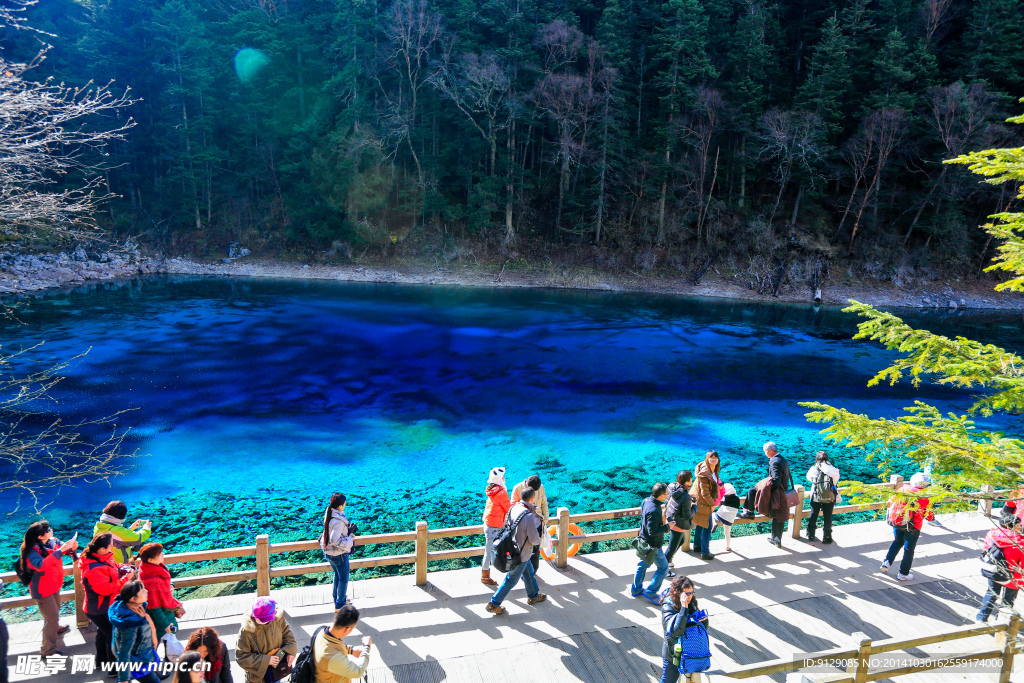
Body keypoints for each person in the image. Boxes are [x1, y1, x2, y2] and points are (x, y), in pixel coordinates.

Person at [16, 520, 77, 656]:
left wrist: (71, 547)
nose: (51, 530)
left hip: (54, 584)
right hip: (42, 590)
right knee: (51, 618)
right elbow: (41, 565)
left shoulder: (52, 541)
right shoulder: (32, 552)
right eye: (48, 529)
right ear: (40, 536)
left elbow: (64, 550)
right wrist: (61, 551)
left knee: (56, 610)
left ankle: (55, 628)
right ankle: (47, 649)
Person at [485, 486, 547, 615]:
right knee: (511, 580)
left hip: (512, 548)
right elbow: (534, 540)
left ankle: (533, 595)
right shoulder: (529, 516)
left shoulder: (514, 507)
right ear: (532, 498)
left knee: (529, 573)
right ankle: (494, 603)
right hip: (521, 554)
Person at [81, 532, 138, 670]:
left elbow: (114, 566)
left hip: (102, 607)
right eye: (110, 546)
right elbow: (105, 589)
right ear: (102, 549)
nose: (112, 548)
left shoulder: (103, 558)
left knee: (103, 632)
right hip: (100, 609)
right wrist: (127, 578)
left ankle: (101, 661)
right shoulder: (94, 568)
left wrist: (124, 568)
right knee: (113, 636)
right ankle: (114, 669)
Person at [880, 472, 934, 582]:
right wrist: (932, 518)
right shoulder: (923, 497)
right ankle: (903, 573)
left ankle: (887, 561)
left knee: (897, 541)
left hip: (898, 522)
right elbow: (928, 515)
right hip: (913, 526)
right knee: (909, 550)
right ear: (925, 484)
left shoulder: (902, 489)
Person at [738, 442, 794, 547]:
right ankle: (776, 539)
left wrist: (765, 488)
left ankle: (749, 512)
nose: (765, 454)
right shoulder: (782, 459)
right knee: (779, 515)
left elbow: (776, 480)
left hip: (778, 492)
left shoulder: (775, 462)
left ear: (770, 451)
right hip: (785, 490)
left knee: (752, 491)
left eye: (765, 452)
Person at [659, 575, 709, 683]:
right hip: (673, 653)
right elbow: (676, 631)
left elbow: (701, 628)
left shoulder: (692, 602)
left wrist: (703, 620)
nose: (690, 596)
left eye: (692, 592)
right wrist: (684, 608)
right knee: (668, 680)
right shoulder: (668, 606)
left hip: (689, 652)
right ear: (678, 592)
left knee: (691, 680)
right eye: (687, 593)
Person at [235, 598, 297, 683]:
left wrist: (290, 652)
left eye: (267, 619)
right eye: (260, 619)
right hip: (256, 679)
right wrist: (266, 661)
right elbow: (241, 657)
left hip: (276, 673)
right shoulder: (246, 630)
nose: (263, 621)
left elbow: (288, 636)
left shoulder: (278, 619)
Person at [109, 580, 161, 683]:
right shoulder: (130, 623)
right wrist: (123, 679)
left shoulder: (130, 607)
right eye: (142, 591)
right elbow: (124, 652)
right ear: (133, 599)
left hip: (140, 654)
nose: (146, 591)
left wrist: (153, 635)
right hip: (136, 660)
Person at [976, 516, 1024, 623]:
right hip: (1013, 576)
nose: (1020, 527)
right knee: (1008, 600)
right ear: (1013, 526)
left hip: (994, 570)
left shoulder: (992, 534)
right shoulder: (1020, 543)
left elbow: (986, 548)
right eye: (1018, 525)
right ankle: (1001, 622)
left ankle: (981, 618)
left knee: (991, 593)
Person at [631, 483, 672, 603]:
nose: (667, 495)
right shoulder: (654, 510)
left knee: (642, 566)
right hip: (653, 546)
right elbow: (653, 531)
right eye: (666, 494)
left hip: (643, 542)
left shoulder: (646, 501)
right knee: (663, 568)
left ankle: (636, 589)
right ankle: (651, 591)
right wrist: (667, 527)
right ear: (660, 495)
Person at [138, 543, 185, 649]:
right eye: (160, 553)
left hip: (164, 614)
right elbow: (154, 607)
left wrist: (171, 585)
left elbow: (165, 582)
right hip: (161, 618)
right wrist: (166, 624)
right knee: (161, 644)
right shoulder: (151, 581)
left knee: (165, 644)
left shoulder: (149, 568)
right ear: (150, 559)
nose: (163, 554)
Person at [312, 605, 372, 683]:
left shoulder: (321, 631)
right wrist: (366, 647)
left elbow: (333, 644)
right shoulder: (331, 657)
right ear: (347, 629)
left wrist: (351, 650)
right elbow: (359, 671)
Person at [319, 493, 355, 610]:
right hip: (338, 554)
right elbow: (335, 540)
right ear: (340, 506)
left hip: (328, 553)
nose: (345, 505)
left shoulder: (329, 514)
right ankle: (340, 604)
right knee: (344, 578)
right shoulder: (338, 521)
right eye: (344, 504)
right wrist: (350, 538)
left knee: (337, 575)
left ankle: (338, 599)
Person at [481, 467, 511, 586]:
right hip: (497, 525)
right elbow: (507, 509)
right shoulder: (502, 492)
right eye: (503, 477)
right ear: (500, 479)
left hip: (488, 523)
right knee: (504, 548)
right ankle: (508, 571)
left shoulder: (491, 489)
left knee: (488, 551)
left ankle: (485, 575)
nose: (504, 478)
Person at [805, 451, 840, 544]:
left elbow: (808, 477)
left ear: (817, 458)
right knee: (828, 517)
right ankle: (827, 537)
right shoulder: (832, 468)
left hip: (816, 495)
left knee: (813, 515)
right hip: (829, 496)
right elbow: (836, 480)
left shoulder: (815, 467)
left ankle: (811, 534)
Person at [692, 452, 720, 561]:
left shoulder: (713, 470)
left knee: (700, 523)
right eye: (711, 457)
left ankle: (697, 546)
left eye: (715, 457)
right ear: (707, 459)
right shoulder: (705, 473)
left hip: (702, 502)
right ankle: (705, 552)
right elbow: (705, 493)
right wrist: (713, 505)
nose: (713, 459)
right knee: (708, 527)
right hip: (704, 503)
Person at [665, 471, 693, 565]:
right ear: (687, 481)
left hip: (670, 517)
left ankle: (668, 560)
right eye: (691, 479)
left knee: (681, 541)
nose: (692, 480)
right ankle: (664, 566)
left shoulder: (671, 486)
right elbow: (687, 516)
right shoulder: (685, 496)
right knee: (671, 547)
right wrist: (695, 507)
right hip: (678, 523)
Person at [713, 484, 741, 552]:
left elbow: (718, 502)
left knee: (713, 514)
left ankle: (714, 523)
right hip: (730, 519)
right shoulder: (737, 499)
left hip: (722, 515)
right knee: (727, 532)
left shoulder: (725, 497)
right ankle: (728, 546)